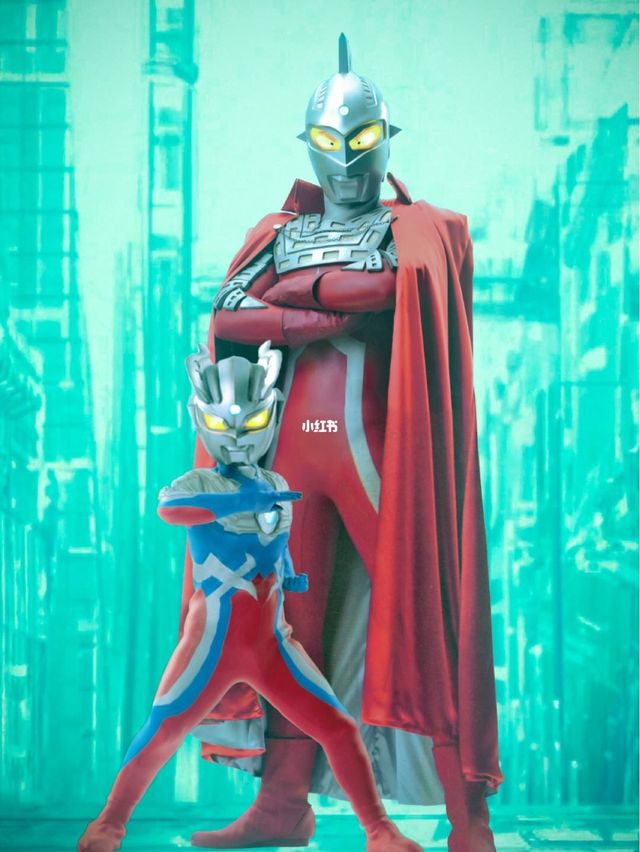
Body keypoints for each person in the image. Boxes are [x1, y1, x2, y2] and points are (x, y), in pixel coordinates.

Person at [185, 35, 502, 852]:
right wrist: (322, 304)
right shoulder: (277, 231)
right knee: (285, 629)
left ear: (386, 139)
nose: (349, 162)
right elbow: (230, 314)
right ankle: (283, 804)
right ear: (311, 146)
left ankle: (469, 822)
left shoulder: (419, 229)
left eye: (363, 141)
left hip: (373, 448)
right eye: (333, 143)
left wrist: (299, 293)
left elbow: (397, 290)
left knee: (425, 617)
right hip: (294, 452)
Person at [77, 342, 421, 852]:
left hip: (271, 642)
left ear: (272, 415)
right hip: (211, 642)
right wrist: (235, 501)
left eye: (251, 422)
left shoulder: (275, 482)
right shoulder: (201, 482)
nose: (237, 436)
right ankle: (109, 823)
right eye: (223, 425)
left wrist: (293, 577)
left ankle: (379, 830)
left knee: (338, 728)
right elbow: (171, 507)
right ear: (201, 419)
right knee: (162, 730)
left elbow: (276, 552)